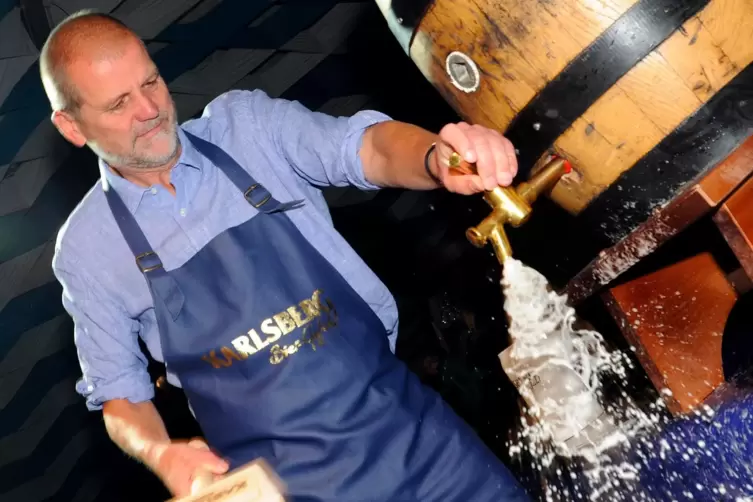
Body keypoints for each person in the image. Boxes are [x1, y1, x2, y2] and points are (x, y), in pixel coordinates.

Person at [42, 9, 529, 502]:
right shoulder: (88, 250)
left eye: (151, 82)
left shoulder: (246, 128)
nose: (149, 109)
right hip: (296, 493)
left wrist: (436, 157)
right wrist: (161, 451)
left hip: (423, 446)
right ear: (72, 127)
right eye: (119, 104)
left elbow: (368, 149)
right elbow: (119, 394)